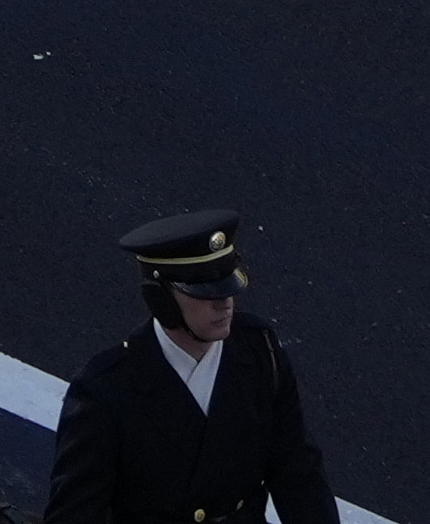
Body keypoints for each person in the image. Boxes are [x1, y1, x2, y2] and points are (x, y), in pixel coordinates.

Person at [44, 213, 339, 524]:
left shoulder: (258, 352)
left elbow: (297, 472)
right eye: (206, 292)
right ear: (160, 299)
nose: (225, 303)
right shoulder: (105, 391)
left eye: (227, 287)